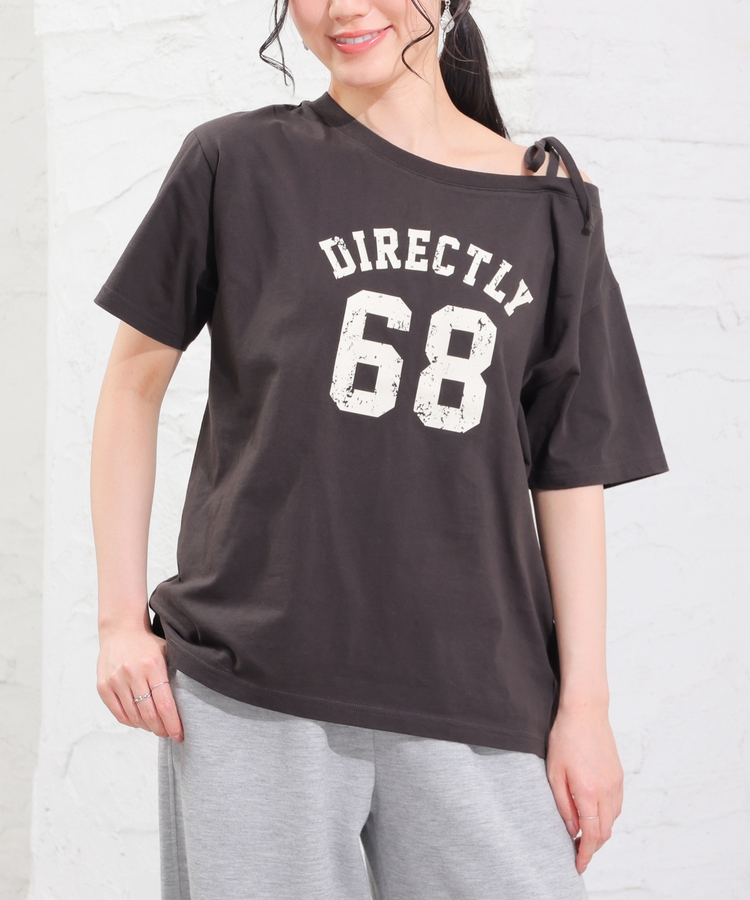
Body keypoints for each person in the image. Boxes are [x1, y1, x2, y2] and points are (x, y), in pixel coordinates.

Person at [90, 1, 669, 898]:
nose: (342, 8)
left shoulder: (549, 202)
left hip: (479, 693)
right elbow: (132, 384)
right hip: (253, 683)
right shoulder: (236, 162)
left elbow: (570, 469)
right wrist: (118, 622)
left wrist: (585, 710)